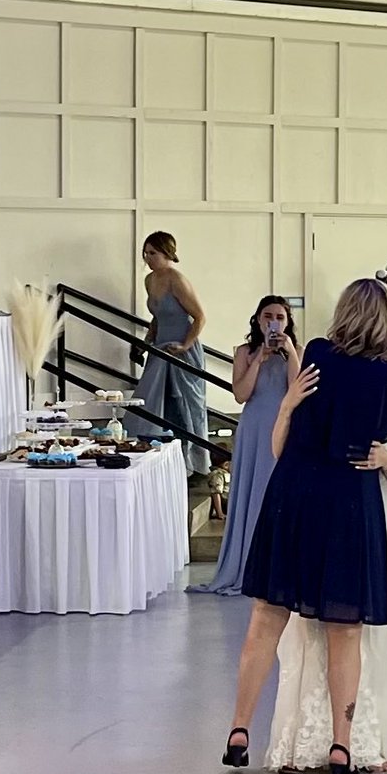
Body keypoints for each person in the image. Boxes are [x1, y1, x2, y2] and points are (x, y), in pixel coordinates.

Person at [220, 278, 387, 774]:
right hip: (350, 501)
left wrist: (288, 406)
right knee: (345, 630)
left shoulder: (315, 353)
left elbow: (284, 439)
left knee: (266, 619)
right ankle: (340, 743)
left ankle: (239, 730)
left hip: (294, 492)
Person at [266, 317, 387, 774]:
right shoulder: (351, 383)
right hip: (339, 512)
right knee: (314, 635)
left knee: (363, 640)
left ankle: (360, 740)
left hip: (379, 516)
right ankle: (307, 739)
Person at [188, 296, 302, 596]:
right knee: (252, 493)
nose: (273, 321)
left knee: (279, 493)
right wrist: (259, 359)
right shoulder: (244, 352)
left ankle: (278, 567)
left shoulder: (297, 352)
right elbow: (240, 394)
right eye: (267, 315)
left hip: (284, 425)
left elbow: (297, 391)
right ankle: (248, 566)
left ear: (288, 321)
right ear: (258, 319)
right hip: (254, 428)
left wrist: (289, 352)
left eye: (279, 316)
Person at [128, 231, 210, 479]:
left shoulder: (178, 280)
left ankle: (192, 463)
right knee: (154, 400)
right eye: (146, 253)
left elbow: (199, 317)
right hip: (160, 347)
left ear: (167, 253)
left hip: (181, 349)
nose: (148, 257)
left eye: (153, 253)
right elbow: (156, 317)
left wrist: (185, 345)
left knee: (185, 405)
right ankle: (158, 457)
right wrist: (145, 343)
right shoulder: (149, 281)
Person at [207, 443, 230, 521]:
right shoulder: (217, 475)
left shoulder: (226, 473)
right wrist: (219, 513)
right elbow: (216, 493)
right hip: (227, 504)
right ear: (226, 464)